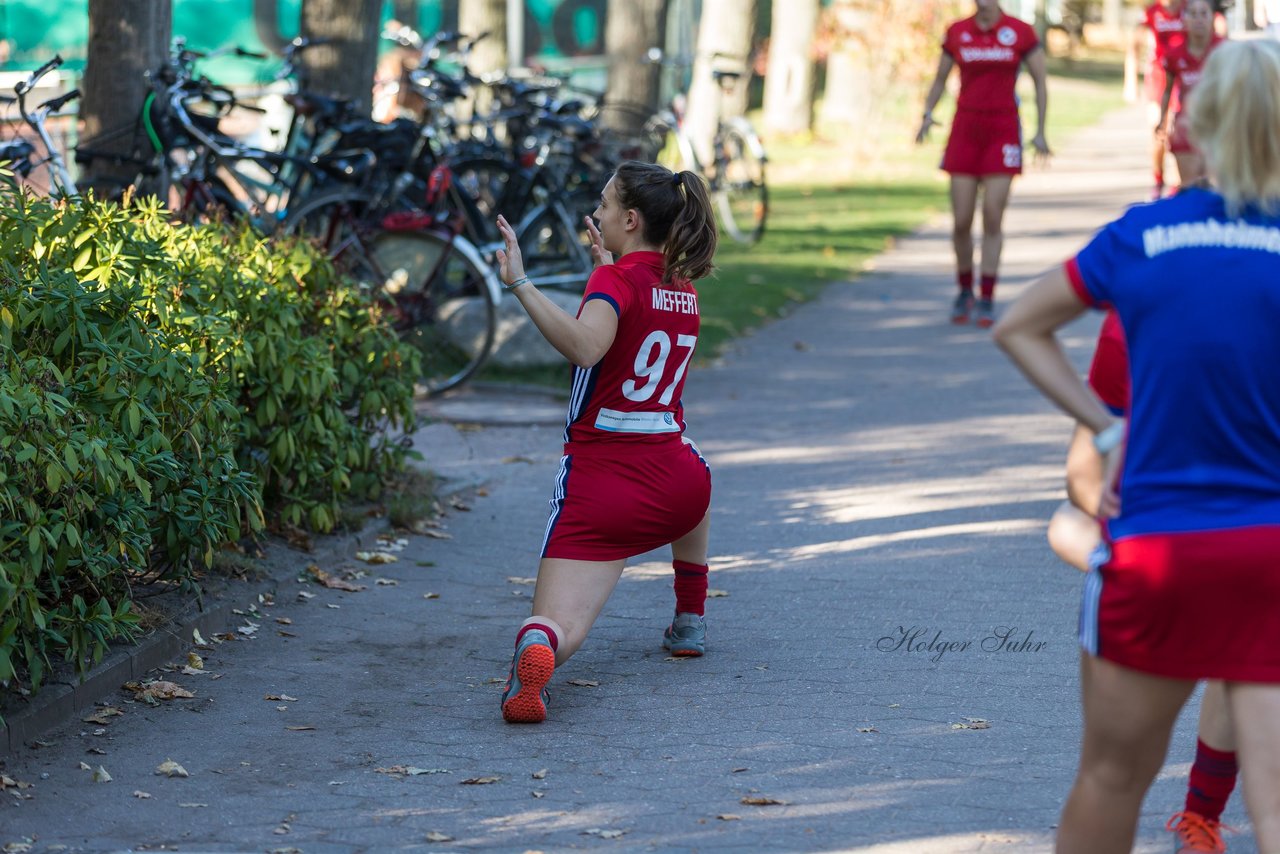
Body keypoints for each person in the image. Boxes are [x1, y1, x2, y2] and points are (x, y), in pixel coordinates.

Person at [993, 39, 1280, 852]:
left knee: (1111, 777)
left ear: (1197, 122)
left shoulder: (1144, 236)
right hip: (1271, 550)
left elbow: (1019, 327)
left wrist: (1107, 425)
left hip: (1158, 548)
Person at [492, 161, 719, 724]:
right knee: (694, 465)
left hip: (605, 489)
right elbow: (636, 325)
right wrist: (608, 272)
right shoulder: (682, 286)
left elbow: (588, 348)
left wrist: (521, 284)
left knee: (557, 627)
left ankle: (538, 655)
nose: (595, 215)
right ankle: (690, 617)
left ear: (631, 219)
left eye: (604, 206)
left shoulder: (614, 283)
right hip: (679, 488)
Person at [1045, 314, 1240, 854]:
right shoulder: (1134, 311)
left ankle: (1202, 815)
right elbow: (1082, 481)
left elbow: (1023, 326)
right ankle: (1201, 818)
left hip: (1250, 540)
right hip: (1171, 538)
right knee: (1066, 526)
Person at [916, 0, 1050, 330]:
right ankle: (965, 290)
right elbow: (940, 79)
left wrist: (1040, 131)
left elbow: (1040, 82)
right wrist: (927, 114)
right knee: (961, 220)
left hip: (1002, 131)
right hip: (965, 130)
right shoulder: (958, 32)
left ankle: (987, 294)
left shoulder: (1019, 32)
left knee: (992, 214)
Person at [1156, 0, 1224, 194]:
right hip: (1185, 128)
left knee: (1217, 191)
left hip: (1218, 129)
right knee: (1189, 190)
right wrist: (1162, 120)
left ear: (1213, 17)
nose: (1198, 20)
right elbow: (1167, 90)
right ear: (1183, 19)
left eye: (1203, 14)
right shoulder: (1174, 53)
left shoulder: (1225, 51)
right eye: (1192, 14)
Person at [1141, 0, 1187, 200]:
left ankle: (1178, 185)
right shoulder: (1152, 13)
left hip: (1182, 74)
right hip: (1158, 76)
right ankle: (1158, 178)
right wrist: (1130, 79)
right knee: (1157, 130)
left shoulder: (1189, 9)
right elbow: (1136, 44)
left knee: (1176, 132)